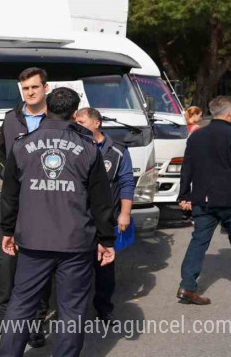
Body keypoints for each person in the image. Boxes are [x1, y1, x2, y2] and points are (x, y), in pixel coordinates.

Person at [0, 87, 116, 357]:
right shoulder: (89, 148)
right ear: (75, 114)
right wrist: (106, 240)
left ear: (47, 108)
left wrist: (6, 230)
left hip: (33, 240)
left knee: (21, 304)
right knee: (72, 309)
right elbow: (101, 201)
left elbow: (9, 195)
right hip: (75, 242)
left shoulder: (22, 144)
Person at [0, 67, 52, 347]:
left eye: (35, 87)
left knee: (40, 263)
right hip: (13, 203)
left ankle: (35, 322)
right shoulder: (12, 118)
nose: (30, 92)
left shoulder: (58, 119)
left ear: (46, 87)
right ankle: (3, 316)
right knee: (5, 262)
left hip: (46, 205)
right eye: (25, 88)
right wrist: (6, 175)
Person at [176, 95, 231, 305]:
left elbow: (187, 168)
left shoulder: (196, 136)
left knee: (198, 242)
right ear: (229, 112)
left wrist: (184, 195)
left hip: (203, 200)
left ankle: (187, 286)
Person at [76, 107, 135, 322]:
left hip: (106, 219)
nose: (77, 125)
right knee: (77, 267)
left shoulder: (117, 151)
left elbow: (127, 182)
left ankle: (103, 307)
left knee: (105, 266)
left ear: (96, 123)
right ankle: (76, 311)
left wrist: (125, 214)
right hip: (78, 218)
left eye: (81, 121)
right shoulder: (74, 146)